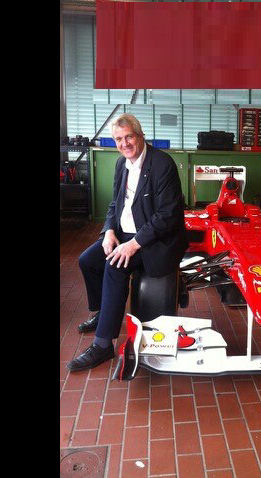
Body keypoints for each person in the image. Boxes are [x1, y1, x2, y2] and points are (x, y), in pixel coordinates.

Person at [67, 114, 188, 372]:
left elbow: (168, 215)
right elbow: (115, 203)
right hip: (124, 233)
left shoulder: (162, 164)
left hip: (154, 240)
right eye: (119, 139)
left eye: (129, 137)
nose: (124, 144)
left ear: (140, 135)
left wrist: (133, 244)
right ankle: (103, 313)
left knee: (114, 265)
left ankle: (103, 344)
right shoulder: (121, 164)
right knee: (88, 260)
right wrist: (109, 231)